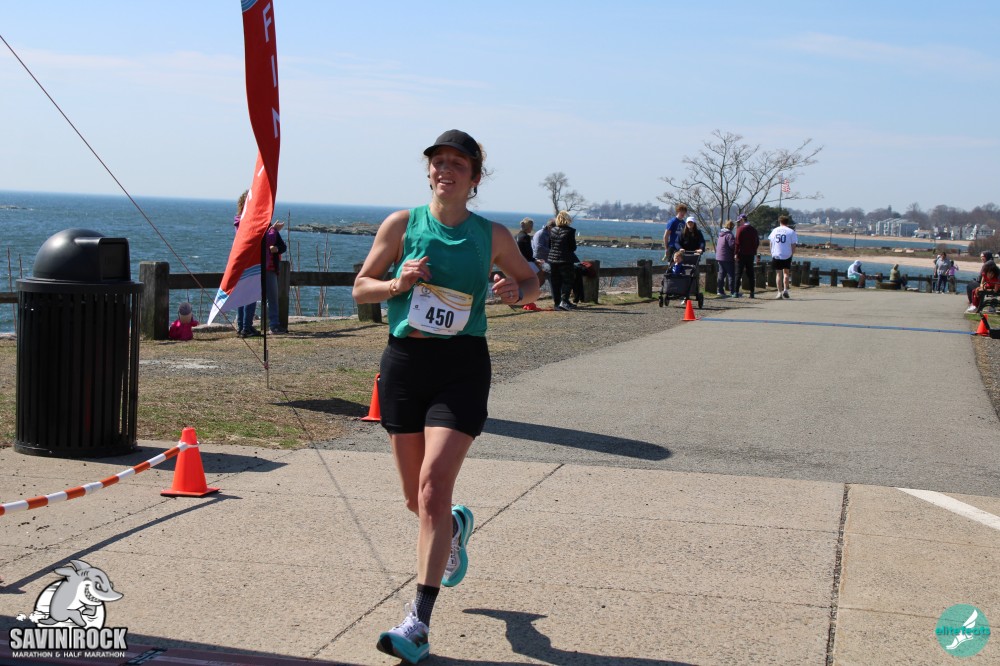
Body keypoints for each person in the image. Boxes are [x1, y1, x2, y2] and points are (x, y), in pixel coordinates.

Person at [352, 129, 538, 664]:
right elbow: (361, 286)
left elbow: (531, 281)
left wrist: (515, 293)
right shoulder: (401, 225)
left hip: (461, 367)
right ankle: (454, 526)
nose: (445, 170)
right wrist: (397, 284)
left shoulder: (491, 234)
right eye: (438, 161)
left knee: (434, 486)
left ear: (474, 178)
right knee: (418, 501)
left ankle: (418, 622)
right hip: (405, 365)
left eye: (458, 163)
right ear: (429, 171)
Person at [233, 190, 261, 338]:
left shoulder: (238, 220)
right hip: (249, 261)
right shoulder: (245, 221)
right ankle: (246, 327)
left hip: (240, 260)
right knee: (250, 295)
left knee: (242, 294)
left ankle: (242, 326)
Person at [547, 210, 578, 311]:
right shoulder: (570, 231)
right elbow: (572, 247)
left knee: (555, 282)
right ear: (567, 219)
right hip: (565, 259)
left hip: (552, 259)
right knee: (568, 280)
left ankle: (557, 303)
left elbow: (549, 245)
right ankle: (564, 301)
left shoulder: (552, 230)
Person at [264, 219, 287, 334]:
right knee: (250, 298)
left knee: (273, 298)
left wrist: (276, 249)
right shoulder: (270, 230)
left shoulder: (272, 230)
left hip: (271, 269)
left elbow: (283, 247)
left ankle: (274, 325)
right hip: (257, 268)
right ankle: (245, 326)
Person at [768, 215, 798, 299]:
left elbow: (771, 242)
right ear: (787, 222)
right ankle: (785, 290)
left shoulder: (775, 230)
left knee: (778, 274)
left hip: (777, 254)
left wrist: (772, 252)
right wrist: (792, 253)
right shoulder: (791, 231)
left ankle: (779, 292)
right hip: (787, 254)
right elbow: (793, 244)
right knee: (786, 273)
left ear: (780, 222)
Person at [733, 213, 759, 298]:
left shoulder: (740, 229)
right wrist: (754, 250)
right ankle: (752, 292)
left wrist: (736, 253)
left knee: (738, 273)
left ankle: (736, 292)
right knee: (750, 274)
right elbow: (757, 242)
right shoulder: (753, 230)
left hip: (741, 254)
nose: (739, 223)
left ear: (742, 220)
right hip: (750, 254)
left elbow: (737, 243)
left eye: (739, 221)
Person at [531, 218, 555, 289]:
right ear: (550, 227)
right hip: (539, 260)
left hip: (547, 259)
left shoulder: (549, 234)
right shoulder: (540, 234)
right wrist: (552, 251)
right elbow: (538, 248)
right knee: (551, 272)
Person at [715, 220, 736, 297]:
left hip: (720, 257)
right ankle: (732, 291)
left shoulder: (721, 234)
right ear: (731, 226)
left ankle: (720, 290)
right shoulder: (729, 235)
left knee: (721, 274)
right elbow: (732, 245)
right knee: (731, 274)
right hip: (727, 257)